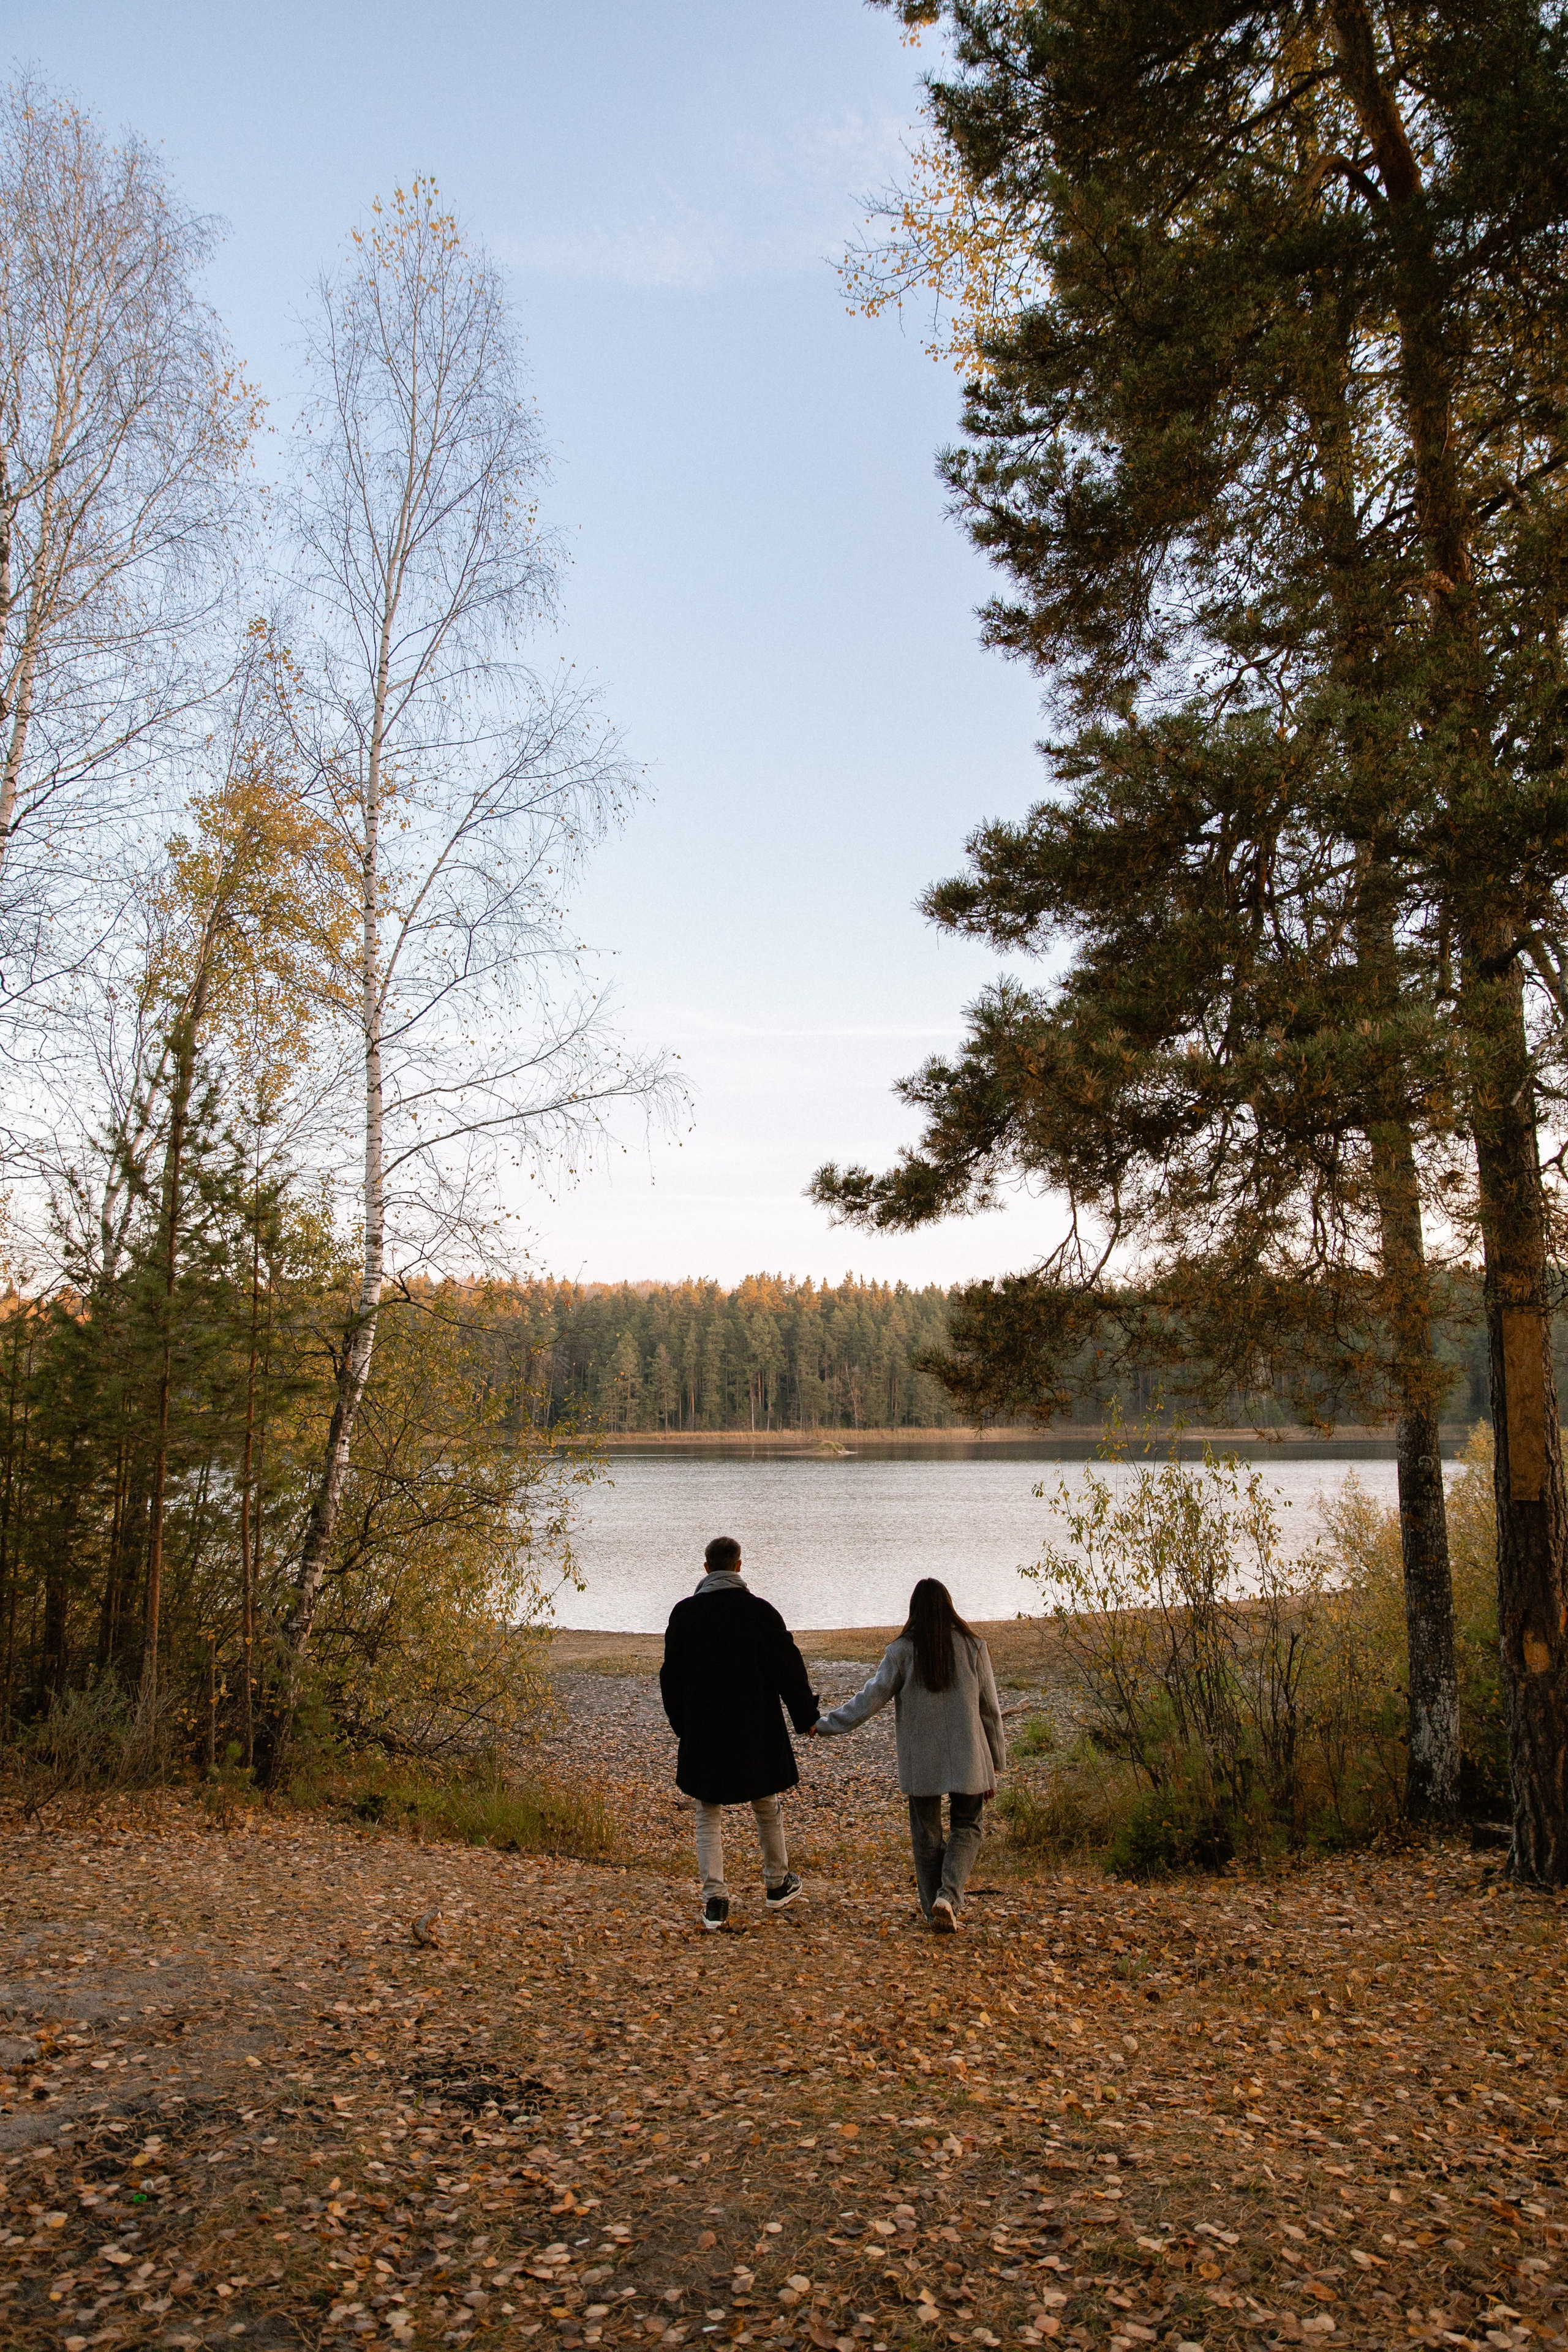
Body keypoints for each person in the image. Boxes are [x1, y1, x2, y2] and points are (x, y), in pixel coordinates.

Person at [810, 1577, 1005, 1934]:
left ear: (914, 1610)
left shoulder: (901, 1651)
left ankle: (935, 1911)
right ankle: (948, 1897)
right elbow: (990, 1710)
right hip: (970, 1757)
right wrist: (994, 1763)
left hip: (922, 1761)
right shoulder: (974, 1646)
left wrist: (826, 1725)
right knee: (968, 1825)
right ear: (949, 1606)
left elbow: (870, 1699)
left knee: (926, 1836)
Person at [659, 1534, 819, 1931]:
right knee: (766, 1804)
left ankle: (715, 1900)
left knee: (707, 1814)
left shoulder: (685, 1614)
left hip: (704, 1731)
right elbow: (788, 1666)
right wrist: (805, 1715)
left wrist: (684, 1726)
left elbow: (669, 1678)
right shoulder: (760, 1613)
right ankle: (777, 1884)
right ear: (740, 1566)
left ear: (707, 1568)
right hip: (755, 1728)